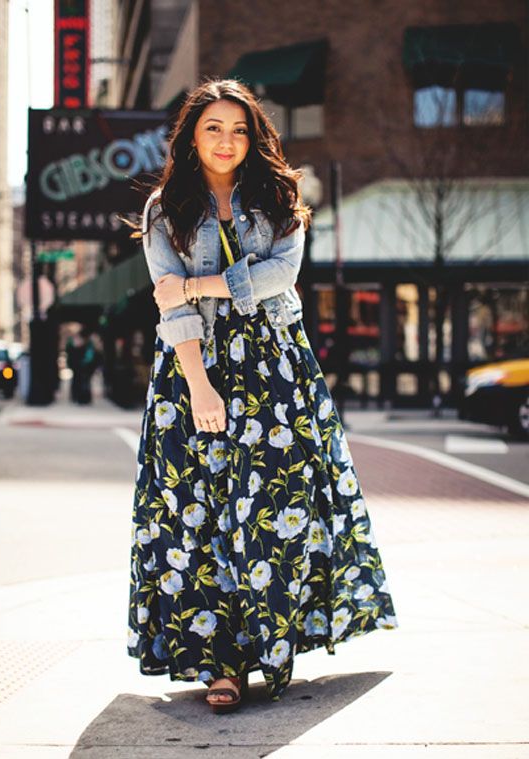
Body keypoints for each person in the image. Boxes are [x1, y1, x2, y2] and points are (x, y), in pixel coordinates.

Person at [127, 78, 398, 713]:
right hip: (194, 372)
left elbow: (283, 273)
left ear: (255, 138)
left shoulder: (279, 195)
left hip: (276, 375)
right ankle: (222, 663)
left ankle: (268, 648)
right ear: (192, 136)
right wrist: (200, 387)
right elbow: (173, 314)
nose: (227, 141)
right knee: (199, 516)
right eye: (213, 128)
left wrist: (196, 286)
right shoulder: (165, 209)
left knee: (276, 515)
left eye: (239, 129)